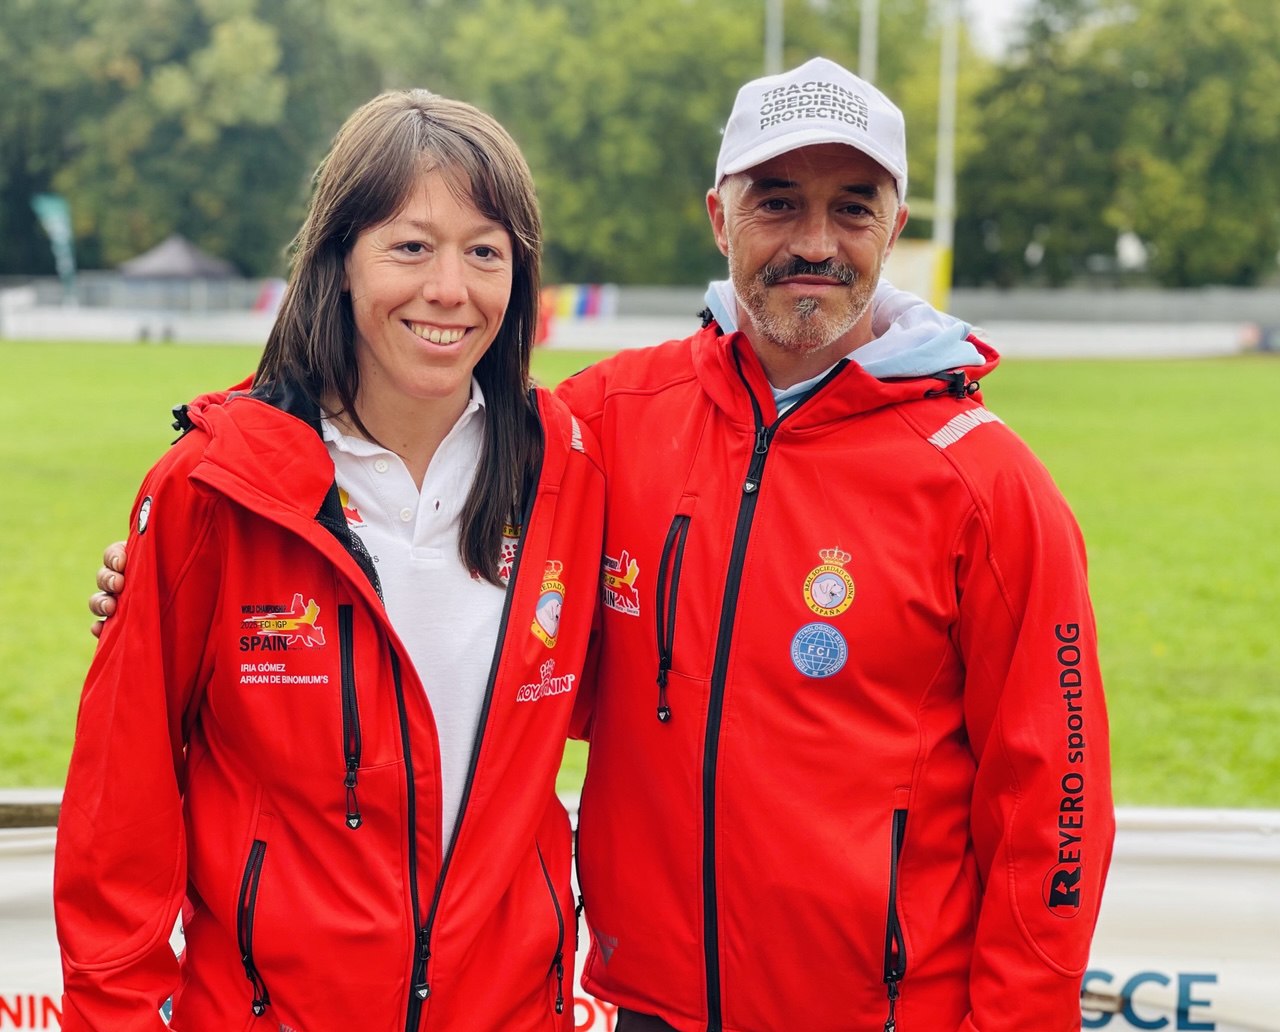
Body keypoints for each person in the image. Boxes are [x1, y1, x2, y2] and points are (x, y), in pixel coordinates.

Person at [91, 57, 1115, 1031]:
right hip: (648, 1008)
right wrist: (188, 527)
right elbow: (357, 440)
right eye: (775, 202)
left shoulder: (988, 485)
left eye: (852, 207)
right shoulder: (605, 424)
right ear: (718, 216)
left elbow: (1054, 807)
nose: (814, 240)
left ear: (894, 226)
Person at [58, 89, 604, 1031]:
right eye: (410, 246)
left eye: (485, 251)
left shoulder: (573, 469)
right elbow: (118, 822)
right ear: (339, 259)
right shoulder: (211, 489)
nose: (450, 288)